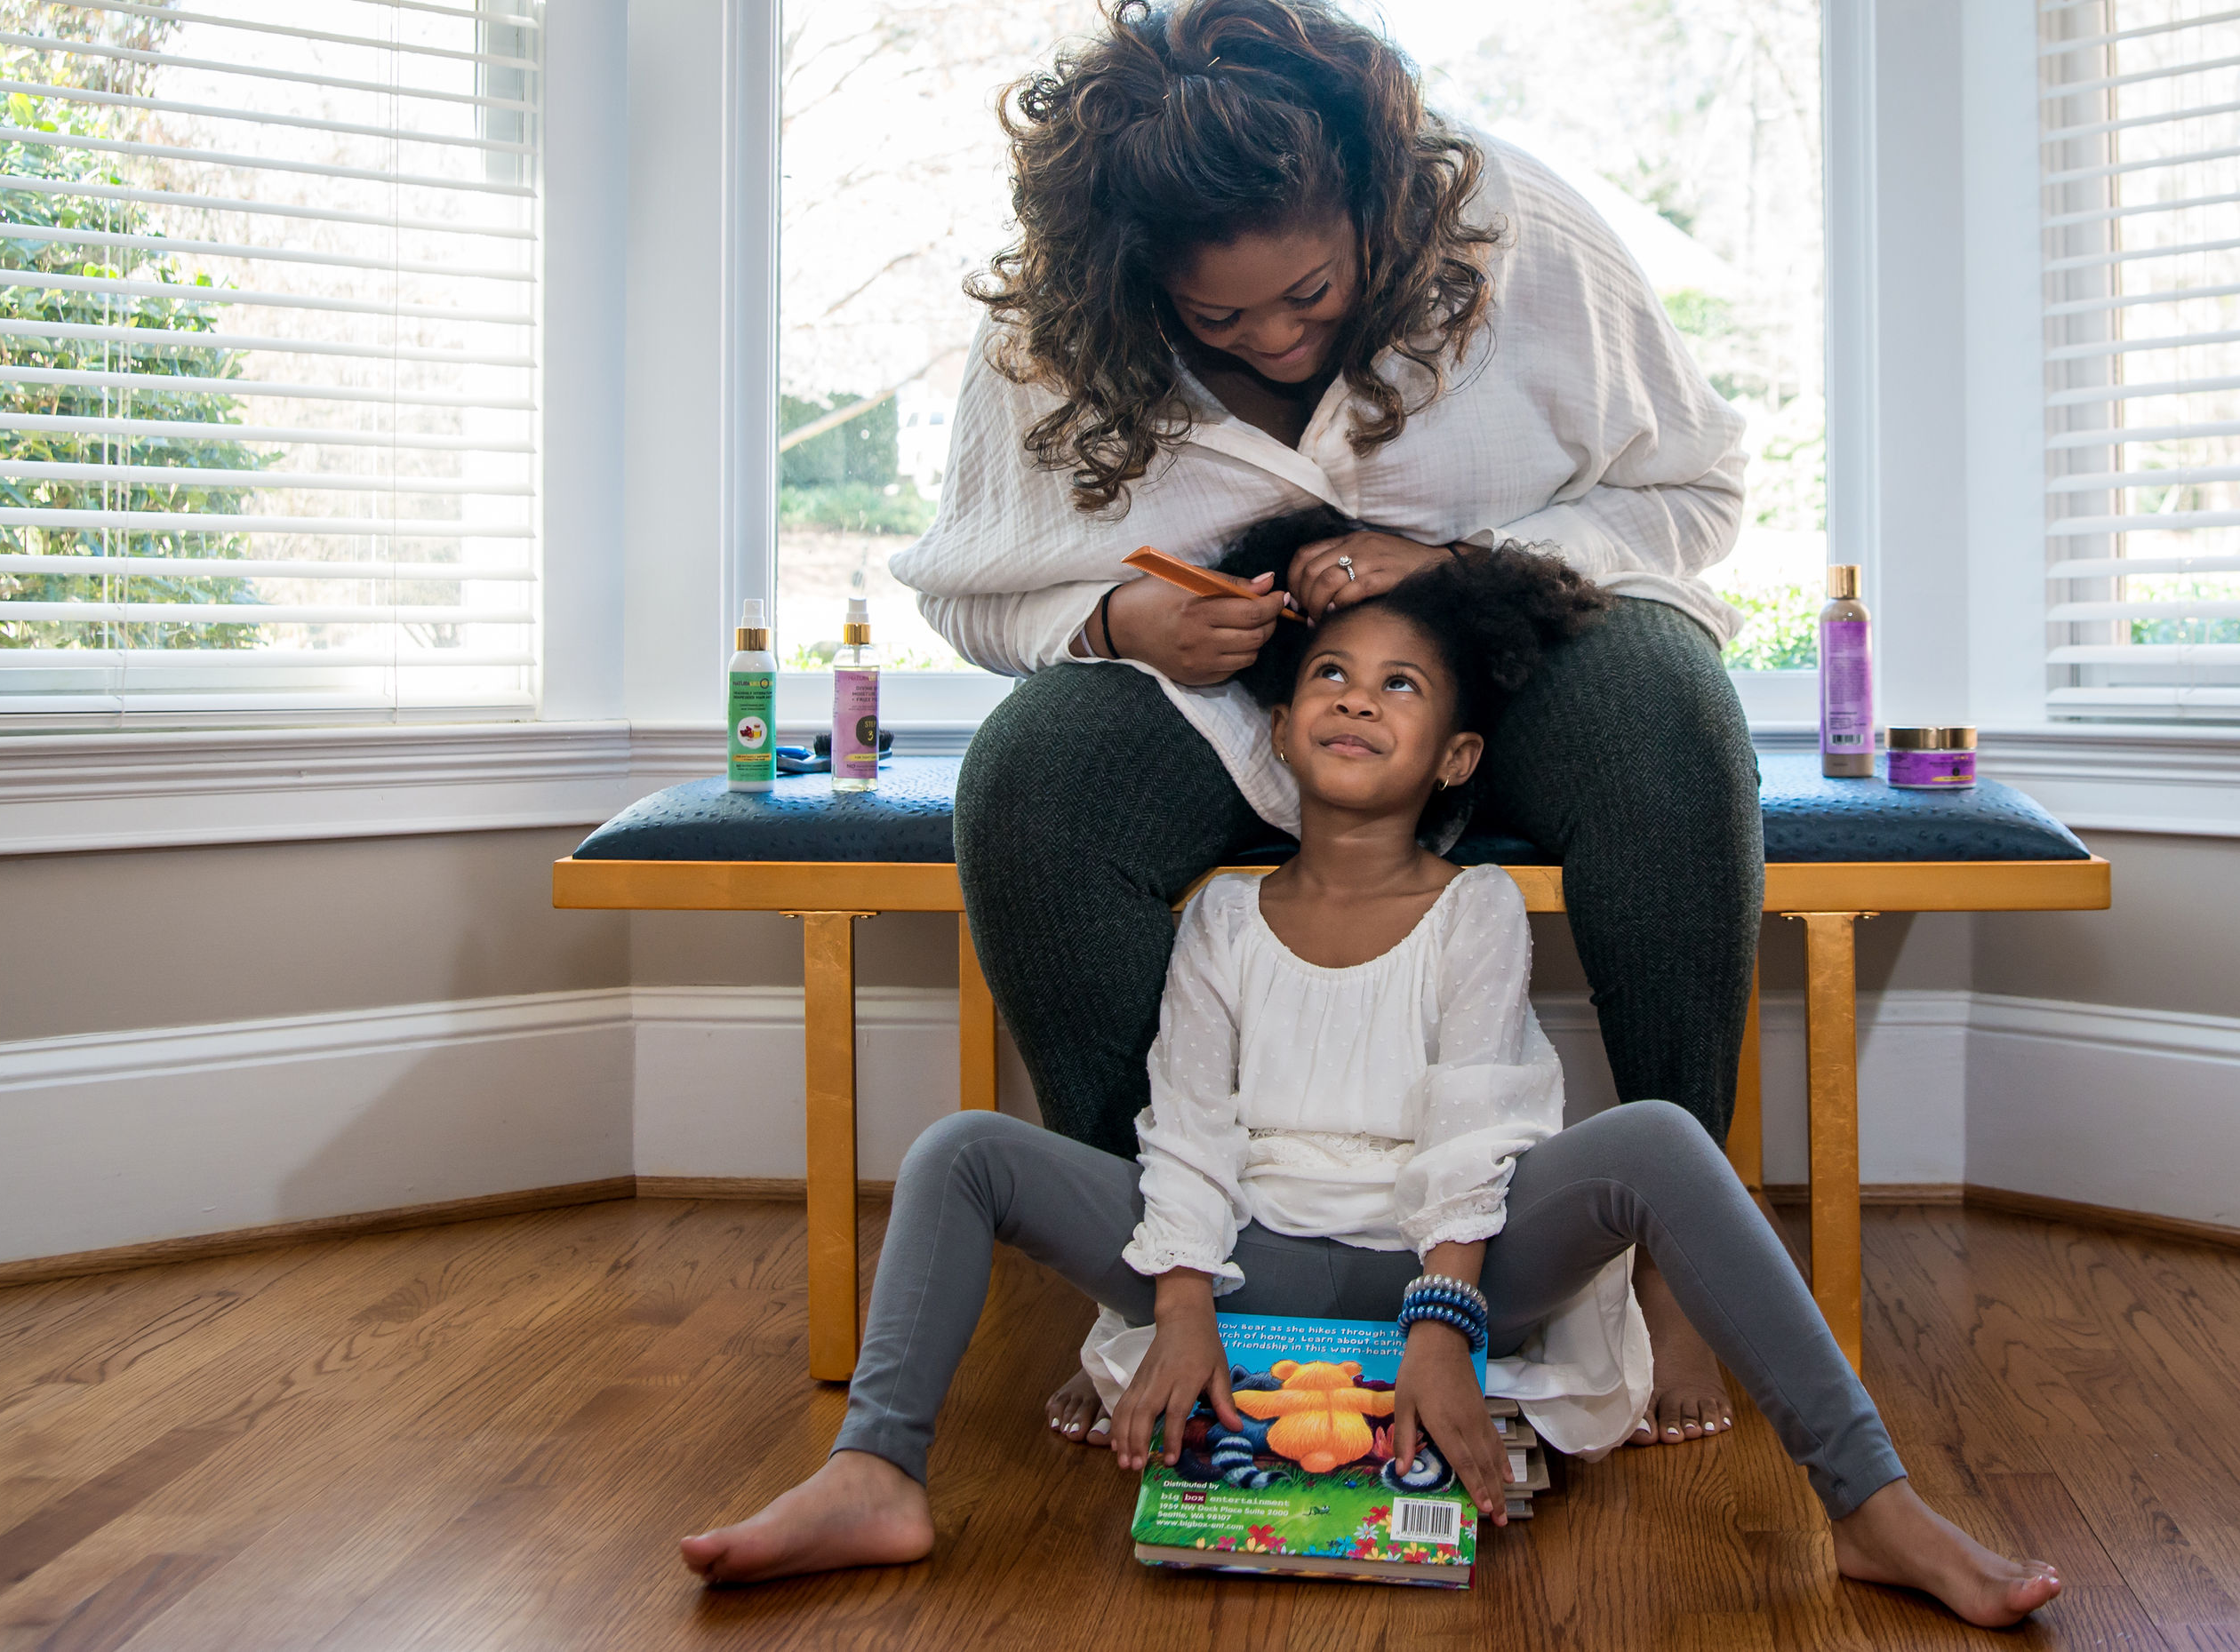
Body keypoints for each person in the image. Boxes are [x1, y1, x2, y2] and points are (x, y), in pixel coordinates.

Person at [678, 538, 2063, 1629]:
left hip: (1437, 1268)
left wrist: (1447, 1324)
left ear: (1456, 757)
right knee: (961, 1151)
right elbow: (1188, 1127)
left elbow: (1477, 1125)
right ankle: (873, 1470)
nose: (1358, 697)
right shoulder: (1219, 921)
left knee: (1654, 1139)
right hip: (1245, 1268)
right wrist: (1173, 1307)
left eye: (1402, 685)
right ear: (1278, 731)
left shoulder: (1473, 915)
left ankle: (1871, 1503)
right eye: (1333, 677)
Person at [892, 0, 1764, 1444]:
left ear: (1383, 212)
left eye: (1315, 293)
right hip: (1238, 713)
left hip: (1522, 670)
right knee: (1029, 783)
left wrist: (1475, 566)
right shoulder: (1049, 339)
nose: (1282, 342)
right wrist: (1117, 622)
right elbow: (969, 588)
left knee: (1671, 718)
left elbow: (1696, 495)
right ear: (1127, 279)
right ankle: (1149, 1300)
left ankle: (1682, 1268)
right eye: (1218, 315)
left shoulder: (1518, 232)